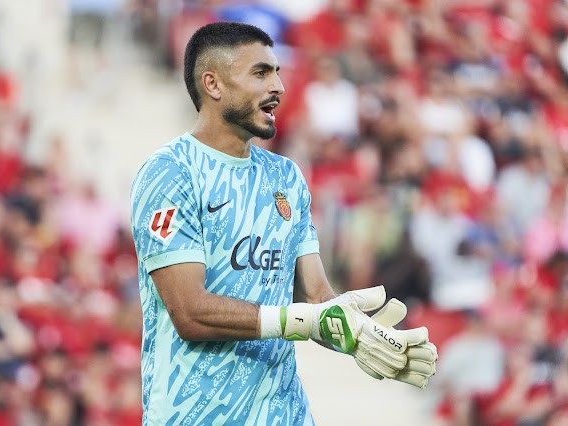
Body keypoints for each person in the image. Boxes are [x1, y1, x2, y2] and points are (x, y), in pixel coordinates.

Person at [130, 22, 438, 425]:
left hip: (284, 413)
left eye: (276, 72)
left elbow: (315, 297)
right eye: (260, 73)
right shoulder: (171, 173)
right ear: (213, 84)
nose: (278, 86)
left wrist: (360, 334)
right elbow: (189, 311)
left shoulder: (285, 177)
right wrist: (297, 320)